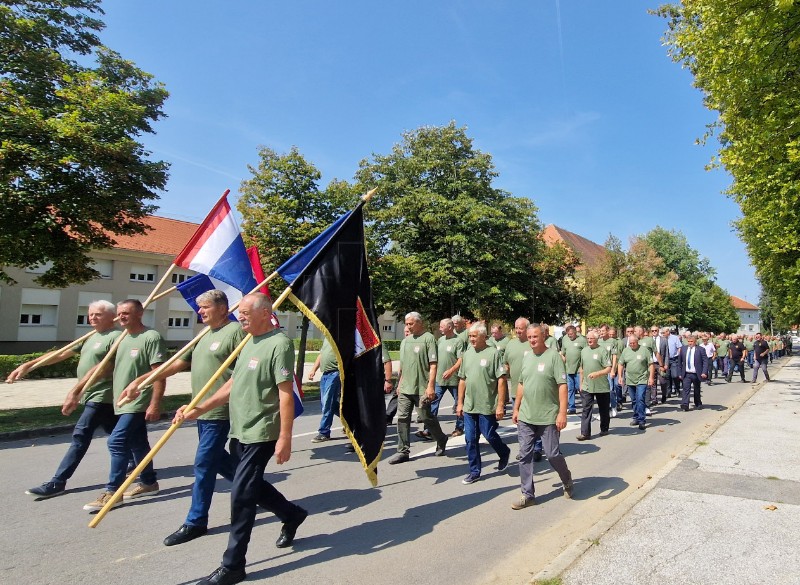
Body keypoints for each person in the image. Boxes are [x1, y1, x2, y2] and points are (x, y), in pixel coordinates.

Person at [180, 293, 307, 585]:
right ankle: (292, 513)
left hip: (262, 431)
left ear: (265, 313)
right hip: (240, 429)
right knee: (250, 486)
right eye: (240, 313)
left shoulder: (279, 344)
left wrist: (285, 437)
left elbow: (286, 393)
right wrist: (197, 409)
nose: (242, 317)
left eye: (247, 312)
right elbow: (232, 383)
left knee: (241, 497)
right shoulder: (248, 341)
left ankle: (233, 565)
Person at [118, 289, 245, 546]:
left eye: (205, 307)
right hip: (200, 410)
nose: (200, 312)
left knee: (203, 464)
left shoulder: (235, 333)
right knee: (218, 461)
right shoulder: (203, 334)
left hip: (220, 410)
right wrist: (142, 381)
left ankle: (196, 521)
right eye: (199, 308)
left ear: (222, 308)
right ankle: (255, 490)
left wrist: (209, 403)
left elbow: (240, 375)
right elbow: (177, 364)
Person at [8, 300, 121, 499]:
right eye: (91, 314)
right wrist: (29, 365)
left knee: (81, 435)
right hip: (92, 395)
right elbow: (61, 354)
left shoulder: (117, 337)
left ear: (113, 317)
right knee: (123, 436)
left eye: (98, 314)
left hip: (102, 395)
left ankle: (58, 481)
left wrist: (75, 391)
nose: (92, 318)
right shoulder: (90, 336)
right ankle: (143, 469)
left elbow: (105, 367)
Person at [82, 299, 165, 511]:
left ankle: (113, 492)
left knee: (116, 442)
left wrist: (155, 403)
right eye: (119, 314)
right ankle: (148, 482)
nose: (121, 317)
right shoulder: (121, 338)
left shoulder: (151, 337)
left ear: (139, 313)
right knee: (138, 444)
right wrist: (78, 389)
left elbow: (159, 373)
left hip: (138, 401)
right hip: (121, 401)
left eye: (126, 313)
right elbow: (104, 367)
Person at [511, 323, 574, 509]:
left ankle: (567, 479)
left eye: (535, 337)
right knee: (524, 455)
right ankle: (527, 495)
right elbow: (521, 384)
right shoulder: (527, 356)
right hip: (526, 416)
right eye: (529, 337)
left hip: (548, 416)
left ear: (543, 336)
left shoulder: (553, 357)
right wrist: (516, 408)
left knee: (553, 454)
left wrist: (562, 413)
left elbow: (563, 385)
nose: (531, 340)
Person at [388, 312, 448, 464]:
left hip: (422, 388)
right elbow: (403, 366)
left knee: (426, 417)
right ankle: (403, 450)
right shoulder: (405, 342)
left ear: (420, 323)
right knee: (402, 418)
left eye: (411, 324)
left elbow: (433, 364)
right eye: (406, 324)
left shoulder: (428, 339)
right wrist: (400, 383)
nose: (408, 327)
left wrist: (430, 386)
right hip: (406, 388)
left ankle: (441, 438)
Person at [456, 323, 510, 484]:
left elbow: (501, 380)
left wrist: (500, 404)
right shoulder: (467, 354)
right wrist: (459, 403)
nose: (471, 339)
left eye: (474, 336)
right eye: (470, 336)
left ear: (483, 337)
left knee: (489, 435)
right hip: (469, 405)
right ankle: (474, 471)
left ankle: (504, 452)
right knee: (470, 439)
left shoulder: (493, 354)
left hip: (487, 405)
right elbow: (462, 380)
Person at [576, 331, 612, 440]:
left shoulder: (602, 351)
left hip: (601, 386)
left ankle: (604, 428)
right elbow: (581, 368)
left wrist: (597, 374)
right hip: (587, 386)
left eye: (591, 338)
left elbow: (608, 368)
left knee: (603, 409)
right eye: (588, 338)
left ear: (596, 339)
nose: (589, 340)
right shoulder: (584, 351)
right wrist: (581, 383)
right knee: (586, 409)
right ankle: (585, 433)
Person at [434, 318, 465, 437]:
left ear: (450, 327)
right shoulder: (440, 340)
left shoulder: (458, 341)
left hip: (454, 380)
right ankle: (429, 429)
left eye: (442, 326)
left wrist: (451, 371)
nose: (440, 328)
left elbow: (461, 359)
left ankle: (459, 428)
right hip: (440, 379)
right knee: (433, 403)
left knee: (459, 403)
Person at [617, 335, 655, 431]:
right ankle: (636, 417)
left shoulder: (644, 350)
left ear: (637, 342)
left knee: (640, 399)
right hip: (630, 380)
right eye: (630, 343)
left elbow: (651, 365)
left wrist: (651, 377)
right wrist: (620, 376)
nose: (632, 345)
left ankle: (642, 420)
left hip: (642, 379)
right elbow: (620, 364)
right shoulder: (626, 351)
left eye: (633, 343)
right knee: (634, 400)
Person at [308, 337, 340, 443]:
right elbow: (321, 355)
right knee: (329, 404)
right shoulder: (327, 337)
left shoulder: (339, 336)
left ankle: (324, 432)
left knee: (327, 404)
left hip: (335, 373)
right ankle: (351, 422)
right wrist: (313, 370)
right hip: (325, 374)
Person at [560, 325, 587, 415]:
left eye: (571, 334)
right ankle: (572, 407)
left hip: (579, 369)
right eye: (568, 334)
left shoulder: (582, 340)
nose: (570, 336)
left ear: (575, 332)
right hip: (568, 369)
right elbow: (563, 353)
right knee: (570, 389)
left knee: (581, 389)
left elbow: (586, 352)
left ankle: (585, 406)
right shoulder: (565, 339)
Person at [678, 334, 709, 411]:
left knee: (696, 389)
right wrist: (680, 373)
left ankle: (698, 403)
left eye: (691, 341)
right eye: (688, 341)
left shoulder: (700, 349)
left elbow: (705, 361)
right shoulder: (683, 349)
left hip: (696, 373)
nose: (690, 343)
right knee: (685, 389)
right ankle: (685, 404)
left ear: (695, 342)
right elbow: (679, 362)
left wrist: (704, 372)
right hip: (686, 373)